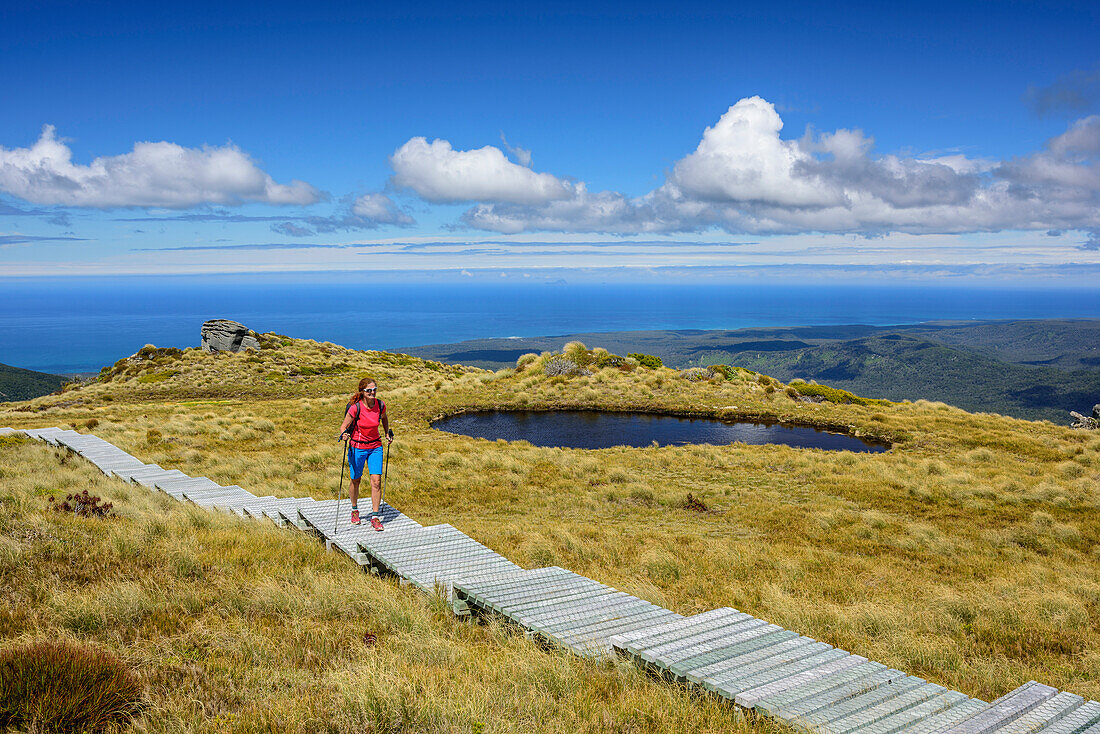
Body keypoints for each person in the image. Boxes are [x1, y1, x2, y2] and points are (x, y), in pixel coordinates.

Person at [338, 377, 393, 530]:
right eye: (369, 390)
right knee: (356, 480)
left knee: (376, 481)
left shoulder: (380, 405)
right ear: (362, 392)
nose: (372, 392)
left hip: (376, 447)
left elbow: (384, 418)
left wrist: (387, 432)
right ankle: (354, 510)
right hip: (357, 447)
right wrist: (344, 434)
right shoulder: (355, 408)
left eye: (374, 389)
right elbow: (344, 426)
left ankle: (375, 517)